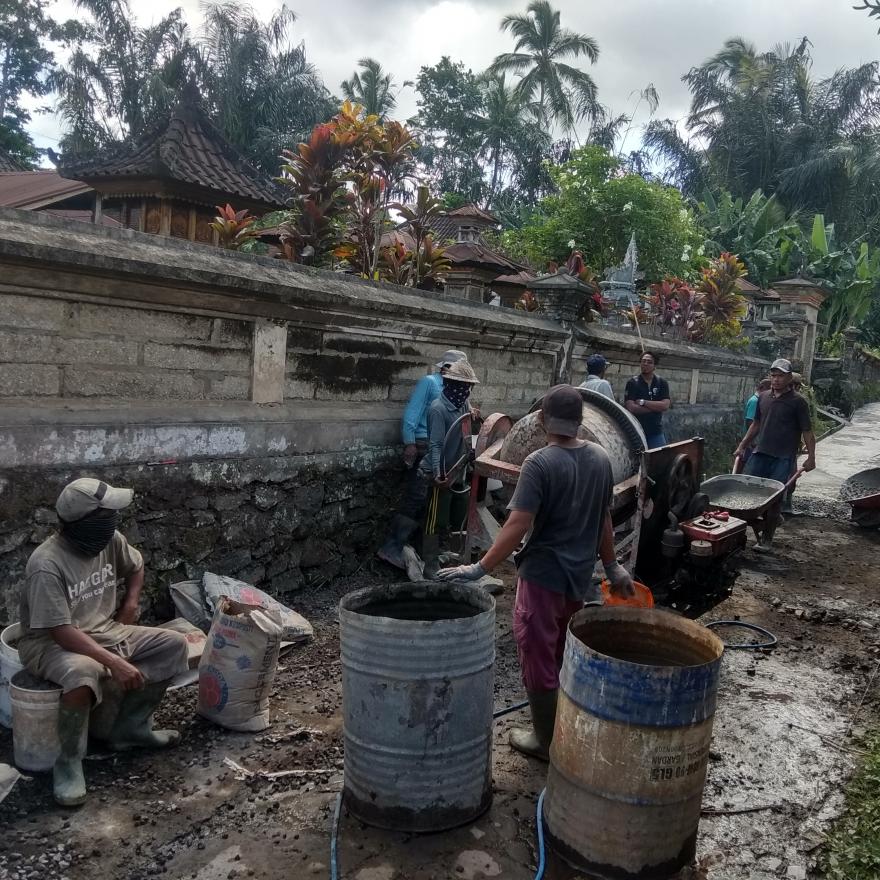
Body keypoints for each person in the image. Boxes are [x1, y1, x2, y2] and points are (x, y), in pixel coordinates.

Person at [437, 384, 635, 760]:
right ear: (580, 421)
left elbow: (516, 525)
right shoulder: (600, 458)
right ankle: (563, 728)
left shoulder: (540, 463)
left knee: (537, 655)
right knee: (561, 652)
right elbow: (603, 518)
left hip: (542, 577)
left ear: (541, 419)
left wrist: (479, 567)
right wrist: (612, 566)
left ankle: (546, 742)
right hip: (577, 579)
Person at [18, 478, 189, 807]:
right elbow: (60, 631)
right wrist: (115, 662)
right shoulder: (46, 564)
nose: (114, 520)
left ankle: (131, 729)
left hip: (105, 629)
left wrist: (130, 604)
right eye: (107, 514)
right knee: (83, 672)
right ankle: (68, 762)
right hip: (49, 643)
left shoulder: (110, 539)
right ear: (85, 522)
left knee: (174, 644)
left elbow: (136, 566)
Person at [379, 350, 467, 571]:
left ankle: (422, 549)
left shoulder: (456, 391)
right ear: (445, 368)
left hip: (444, 451)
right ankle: (392, 546)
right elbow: (412, 412)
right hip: (423, 445)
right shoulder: (430, 383)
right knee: (417, 496)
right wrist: (409, 442)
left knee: (431, 501)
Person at [734, 359, 817, 550]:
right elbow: (756, 424)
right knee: (745, 491)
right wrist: (742, 445)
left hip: (783, 457)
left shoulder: (798, 402)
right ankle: (739, 533)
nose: (776, 379)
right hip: (760, 452)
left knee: (774, 498)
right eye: (774, 375)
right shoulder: (763, 397)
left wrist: (811, 458)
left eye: (780, 376)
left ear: (789, 378)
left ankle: (767, 539)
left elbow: (807, 432)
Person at [418, 359, 481, 577]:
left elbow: (466, 426)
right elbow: (435, 444)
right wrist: (438, 474)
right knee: (436, 518)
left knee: (458, 513)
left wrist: (474, 416)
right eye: (463, 387)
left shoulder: (463, 403)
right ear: (451, 385)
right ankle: (430, 564)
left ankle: (454, 557)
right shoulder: (438, 409)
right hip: (442, 470)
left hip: (458, 468)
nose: (466, 391)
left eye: (468, 387)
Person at [624, 351, 671, 448]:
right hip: (636, 431)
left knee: (660, 458)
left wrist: (643, 402)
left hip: (655, 431)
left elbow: (665, 405)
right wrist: (656, 408)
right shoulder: (633, 383)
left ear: (655, 366)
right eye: (643, 361)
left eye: (649, 362)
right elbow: (631, 408)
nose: (645, 364)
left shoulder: (661, 383)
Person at [741, 378, 772, 466]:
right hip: (753, 444)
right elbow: (750, 421)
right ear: (762, 388)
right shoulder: (755, 401)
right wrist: (752, 441)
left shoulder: (758, 400)